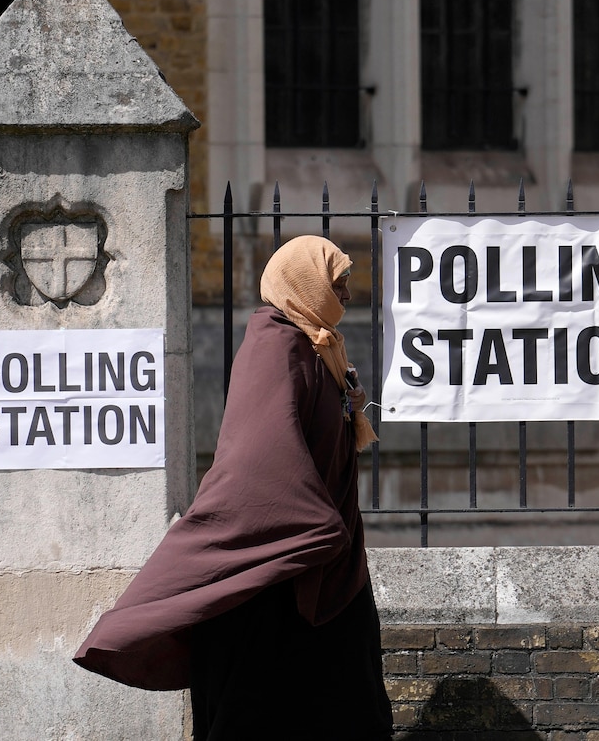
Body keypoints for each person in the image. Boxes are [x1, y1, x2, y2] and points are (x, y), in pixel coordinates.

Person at [74, 235, 392, 740]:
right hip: (275, 569)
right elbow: (260, 461)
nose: (349, 296)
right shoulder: (276, 345)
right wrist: (315, 524)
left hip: (320, 563)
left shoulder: (320, 346)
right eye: (338, 284)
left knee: (348, 704)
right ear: (304, 284)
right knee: (262, 705)